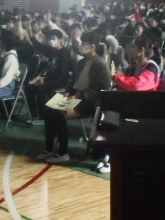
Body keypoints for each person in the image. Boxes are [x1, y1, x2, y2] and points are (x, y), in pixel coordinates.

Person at [38, 30, 112, 163]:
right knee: (48, 109)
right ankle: (49, 148)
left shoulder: (101, 64)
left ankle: (63, 152)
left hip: (88, 102)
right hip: (74, 97)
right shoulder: (81, 62)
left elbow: (103, 89)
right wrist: (68, 92)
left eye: (84, 43)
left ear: (92, 46)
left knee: (59, 112)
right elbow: (71, 81)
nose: (81, 45)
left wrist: (81, 94)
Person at [95, 37, 161, 174]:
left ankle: (114, 158)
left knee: (113, 117)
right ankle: (108, 153)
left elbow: (136, 85)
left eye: (133, 47)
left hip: (144, 108)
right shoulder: (136, 65)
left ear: (141, 50)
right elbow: (125, 80)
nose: (130, 49)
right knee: (105, 109)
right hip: (131, 104)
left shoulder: (152, 67)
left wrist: (116, 77)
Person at [26, 29, 74, 125]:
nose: (50, 41)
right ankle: (34, 115)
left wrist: (45, 80)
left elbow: (61, 73)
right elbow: (40, 47)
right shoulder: (52, 50)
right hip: (49, 78)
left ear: (60, 40)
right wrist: (31, 35)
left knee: (41, 90)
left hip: (61, 80)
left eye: (53, 38)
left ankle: (44, 117)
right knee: (29, 88)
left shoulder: (65, 53)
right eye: (49, 39)